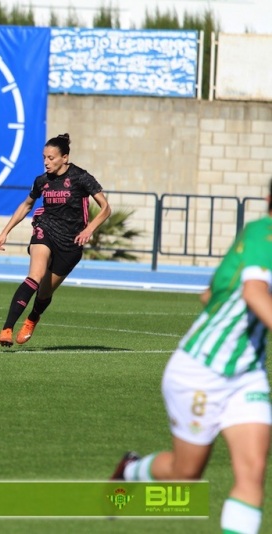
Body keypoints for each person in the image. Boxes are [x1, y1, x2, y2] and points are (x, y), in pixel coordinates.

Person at [110, 180, 272, 534]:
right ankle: (130, 471)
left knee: (253, 472)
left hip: (247, 374)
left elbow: (208, 294)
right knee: (186, 475)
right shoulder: (265, 233)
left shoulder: (253, 242)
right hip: (200, 370)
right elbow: (255, 292)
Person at [0, 133, 111, 347]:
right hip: (45, 230)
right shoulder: (42, 181)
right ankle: (6, 329)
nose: (46, 162)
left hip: (71, 243)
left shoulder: (81, 177)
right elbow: (27, 205)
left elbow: (106, 208)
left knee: (45, 293)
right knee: (35, 276)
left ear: (65, 157)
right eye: (44, 158)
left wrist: (89, 229)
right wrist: (5, 232)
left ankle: (32, 319)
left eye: (51, 158)